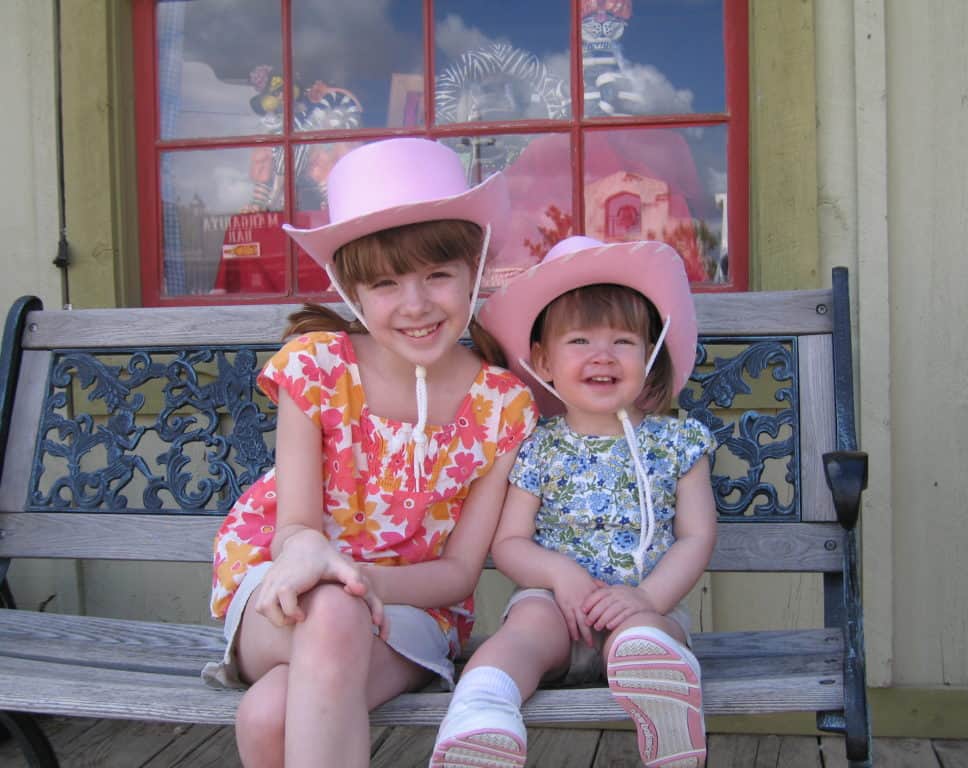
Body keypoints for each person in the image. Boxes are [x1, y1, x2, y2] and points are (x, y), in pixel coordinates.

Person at [203, 138, 539, 768]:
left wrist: (354, 584)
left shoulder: (502, 404)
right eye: (385, 283)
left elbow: (460, 573)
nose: (415, 305)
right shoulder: (318, 368)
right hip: (283, 589)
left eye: (437, 274)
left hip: (412, 610)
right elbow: (296, 527)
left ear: (475, 268)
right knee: (329, 614)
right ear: (351, 290)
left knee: (268, 713)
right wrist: (315, 564)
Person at [431, 235, 718, 768]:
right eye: (580, 341)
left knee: (649, 640)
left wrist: (649, 599)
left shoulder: (680, 442)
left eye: (625, 342)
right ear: (542, 360)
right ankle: (482, 713)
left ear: (651, 355)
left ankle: (665, 706)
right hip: (554, 607)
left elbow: (696, 535)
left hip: (640, 604)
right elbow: (511, 541)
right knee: (522, 634)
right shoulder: (538, 445)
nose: (602, 356)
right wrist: (560, 575)